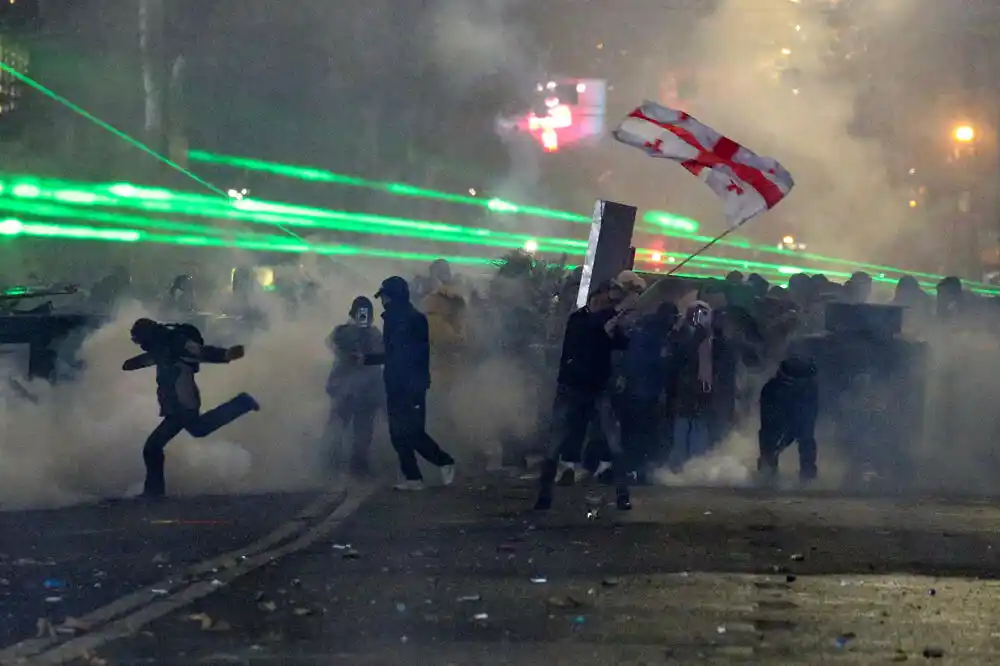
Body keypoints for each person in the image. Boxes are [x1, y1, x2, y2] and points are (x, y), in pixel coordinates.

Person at [123, 318, 260, 500]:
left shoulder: (176, 343)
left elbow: (201, 352)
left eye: (139, 340)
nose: (140, 345)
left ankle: (154, 492)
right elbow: (147, 359)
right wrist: (132, 364)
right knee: (198, 429)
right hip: (176, 406)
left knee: (153, 447)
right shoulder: (161, 347)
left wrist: (226, 354)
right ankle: (242, 403)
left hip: (183, 403)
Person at [535, 281, 631, 512]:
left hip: (598, 388)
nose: (611, 304)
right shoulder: (578, 319)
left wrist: (619, 325)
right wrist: (615, 314)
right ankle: (544, 495)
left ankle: (622, 495)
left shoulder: (606, 321)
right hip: (572, 387)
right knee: (556, 441)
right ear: (596, 296)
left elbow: (622, 343)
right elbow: (590, 329)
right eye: (609, 299)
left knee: (614, 440)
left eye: (614, 301)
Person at [363, 276, 455, 490]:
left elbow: (407, 355)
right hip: (398, 383)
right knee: (398, 434)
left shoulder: (409, 319)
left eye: (384, 296)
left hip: (409, 385)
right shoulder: (396, 319)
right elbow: (394, 354)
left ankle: (445, 461)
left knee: (412, 432)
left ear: (392, 296)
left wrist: (413, 380)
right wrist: (369, 360)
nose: (382, 301)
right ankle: (413, 478)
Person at [325, 296, 384, 477]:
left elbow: (330, 344)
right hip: (364, 388)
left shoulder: (342, 331)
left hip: (348, 387)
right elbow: (382, 355)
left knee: (339, 424)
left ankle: (330, 462)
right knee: (361, 428)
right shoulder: (373, 333)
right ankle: (357, 465)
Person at [757, 356, 819, 482]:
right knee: (769, 441)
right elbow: (767, 423)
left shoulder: (810, 390)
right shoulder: (770, 390)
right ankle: (767, 478)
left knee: (806, 439)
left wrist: (795, 431)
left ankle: (808, 478)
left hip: (800, 417)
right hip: (776, 419)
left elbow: (809, 420)